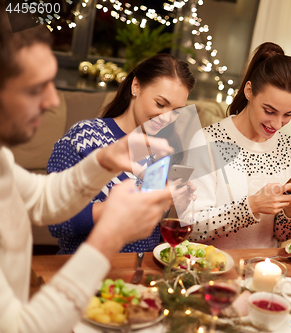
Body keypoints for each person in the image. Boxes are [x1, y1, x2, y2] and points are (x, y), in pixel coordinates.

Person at [0, 10, 175, 333]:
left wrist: (104, 161)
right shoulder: (84, 133)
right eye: (36, 87)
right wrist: (110, 233)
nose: (54, 100)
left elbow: (41, 197)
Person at [46, 53, 196, 254]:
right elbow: (57, 222)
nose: (166, 118)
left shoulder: (162, 149)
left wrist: (176, 205)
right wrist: (117, 208)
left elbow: (151, 231)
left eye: (176, 111)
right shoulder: (85, 137)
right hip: (84, 269)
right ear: (136, 87)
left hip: (141, 271)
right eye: (160, 104)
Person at [181, 42, 291, 249]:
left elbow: (282, 236)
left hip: (263, 271)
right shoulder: (208, 141)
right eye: (269, 111)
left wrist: (290, 212)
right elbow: (191, 229)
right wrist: (252, 206)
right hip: (212, 271)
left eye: (288, 114)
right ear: (249, 91)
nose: (277, 124)